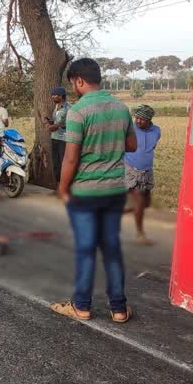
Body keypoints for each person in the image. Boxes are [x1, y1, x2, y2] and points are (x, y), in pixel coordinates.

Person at [50, 58, 137, 324]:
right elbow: (132, 146)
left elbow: (71, 158)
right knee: (112, 248)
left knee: (86, 248)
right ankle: (119, 308)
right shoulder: (121, 108)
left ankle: (82, 306)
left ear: (78, 80)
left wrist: (62, 188)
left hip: (86, 193)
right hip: (114, 190)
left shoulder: (78, 111)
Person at [124, 105, 161, 245]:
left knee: (146, 203)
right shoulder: (129, 130)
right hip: (130, 169)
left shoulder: (157, 131)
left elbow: (152, 147)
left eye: (142, 119)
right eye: (137, 118)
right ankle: (140, 234)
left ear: (149, 120)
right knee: (139, 199)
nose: (138, 121)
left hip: (147, 170)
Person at [41, 87, 71, 185]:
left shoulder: (69, 108)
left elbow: (71, 124)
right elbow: (56, 121)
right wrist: (49, 121)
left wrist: (57, 126)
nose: (53, 97)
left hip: (64, 139)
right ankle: (58, 185)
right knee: (56, 163)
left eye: (55, 96)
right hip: (54, 138)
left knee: (63, 162)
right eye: (52, 95)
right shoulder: (56, 106)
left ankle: (66, 185)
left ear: (61, 96)